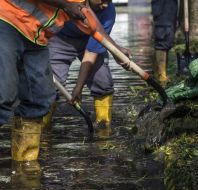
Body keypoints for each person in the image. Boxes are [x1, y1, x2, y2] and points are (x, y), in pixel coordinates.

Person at [0, 0, 125, 161]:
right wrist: (65, 5)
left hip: (36, 36)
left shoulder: (98, 9)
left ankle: (25, 167)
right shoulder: (69, 5)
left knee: (40, 99)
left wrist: (117, 51)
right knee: (4, 96)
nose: (105, 4)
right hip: (7, 21)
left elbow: (94, 25)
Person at [47, 0, 118, 131]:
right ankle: (42, 129)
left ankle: (104, 126)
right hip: (60, 38)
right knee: (50, 86)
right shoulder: (70, 2)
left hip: (90, 40)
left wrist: (78, 88)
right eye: (102, 0)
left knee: (102, 80)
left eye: (109, 0)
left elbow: (91, 52)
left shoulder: (108, 13)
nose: (105, 5)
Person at [151, 0, 178, 86]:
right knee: (163, 37)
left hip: (169, 6)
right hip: (163, 5)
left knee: (168, 38)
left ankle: (158, 76)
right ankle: (161, 77)